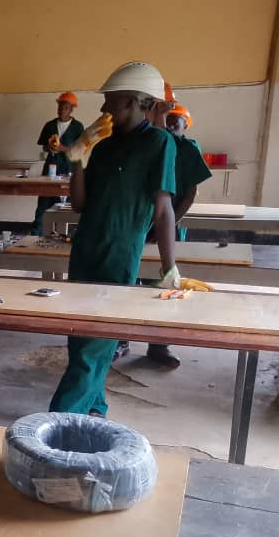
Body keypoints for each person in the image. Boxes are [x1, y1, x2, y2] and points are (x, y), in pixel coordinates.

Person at [50, 62, 180, 417]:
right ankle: (96, 409)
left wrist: (170, 267)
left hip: (119, 254)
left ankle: (59, 422)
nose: (105, 109)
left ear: (140, 103)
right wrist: (77, 158)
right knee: (80, 339)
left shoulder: (159, 143)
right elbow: (79, 204)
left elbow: (164, 208)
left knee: (95, 345)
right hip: (85, 249)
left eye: (114, 102)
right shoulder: (103, 144)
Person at [142, 102, 212, 368]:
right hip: (142, 223)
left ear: (186, 126)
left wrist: (167, 227)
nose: (171, 125)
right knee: (131, 282)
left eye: (177, 121)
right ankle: (121, 340)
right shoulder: (150, 145)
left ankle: (159, 344)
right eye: (167, 119)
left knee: (164, 286)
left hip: (168, 225)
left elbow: (190, 192)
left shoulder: (187, 149)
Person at [33, 92, 84, 234]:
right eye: (60, 107)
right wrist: (49, 147)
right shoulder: (49, 125)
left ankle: (66, 234)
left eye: (66, 107)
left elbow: (79, 149)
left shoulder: (77, 127)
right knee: (44, 199)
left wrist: (63, 149)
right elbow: (43, 145)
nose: (62, 110)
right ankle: (37, 233)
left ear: (71, 109)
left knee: (66, 200)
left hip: (68, 166)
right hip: (51, 164)